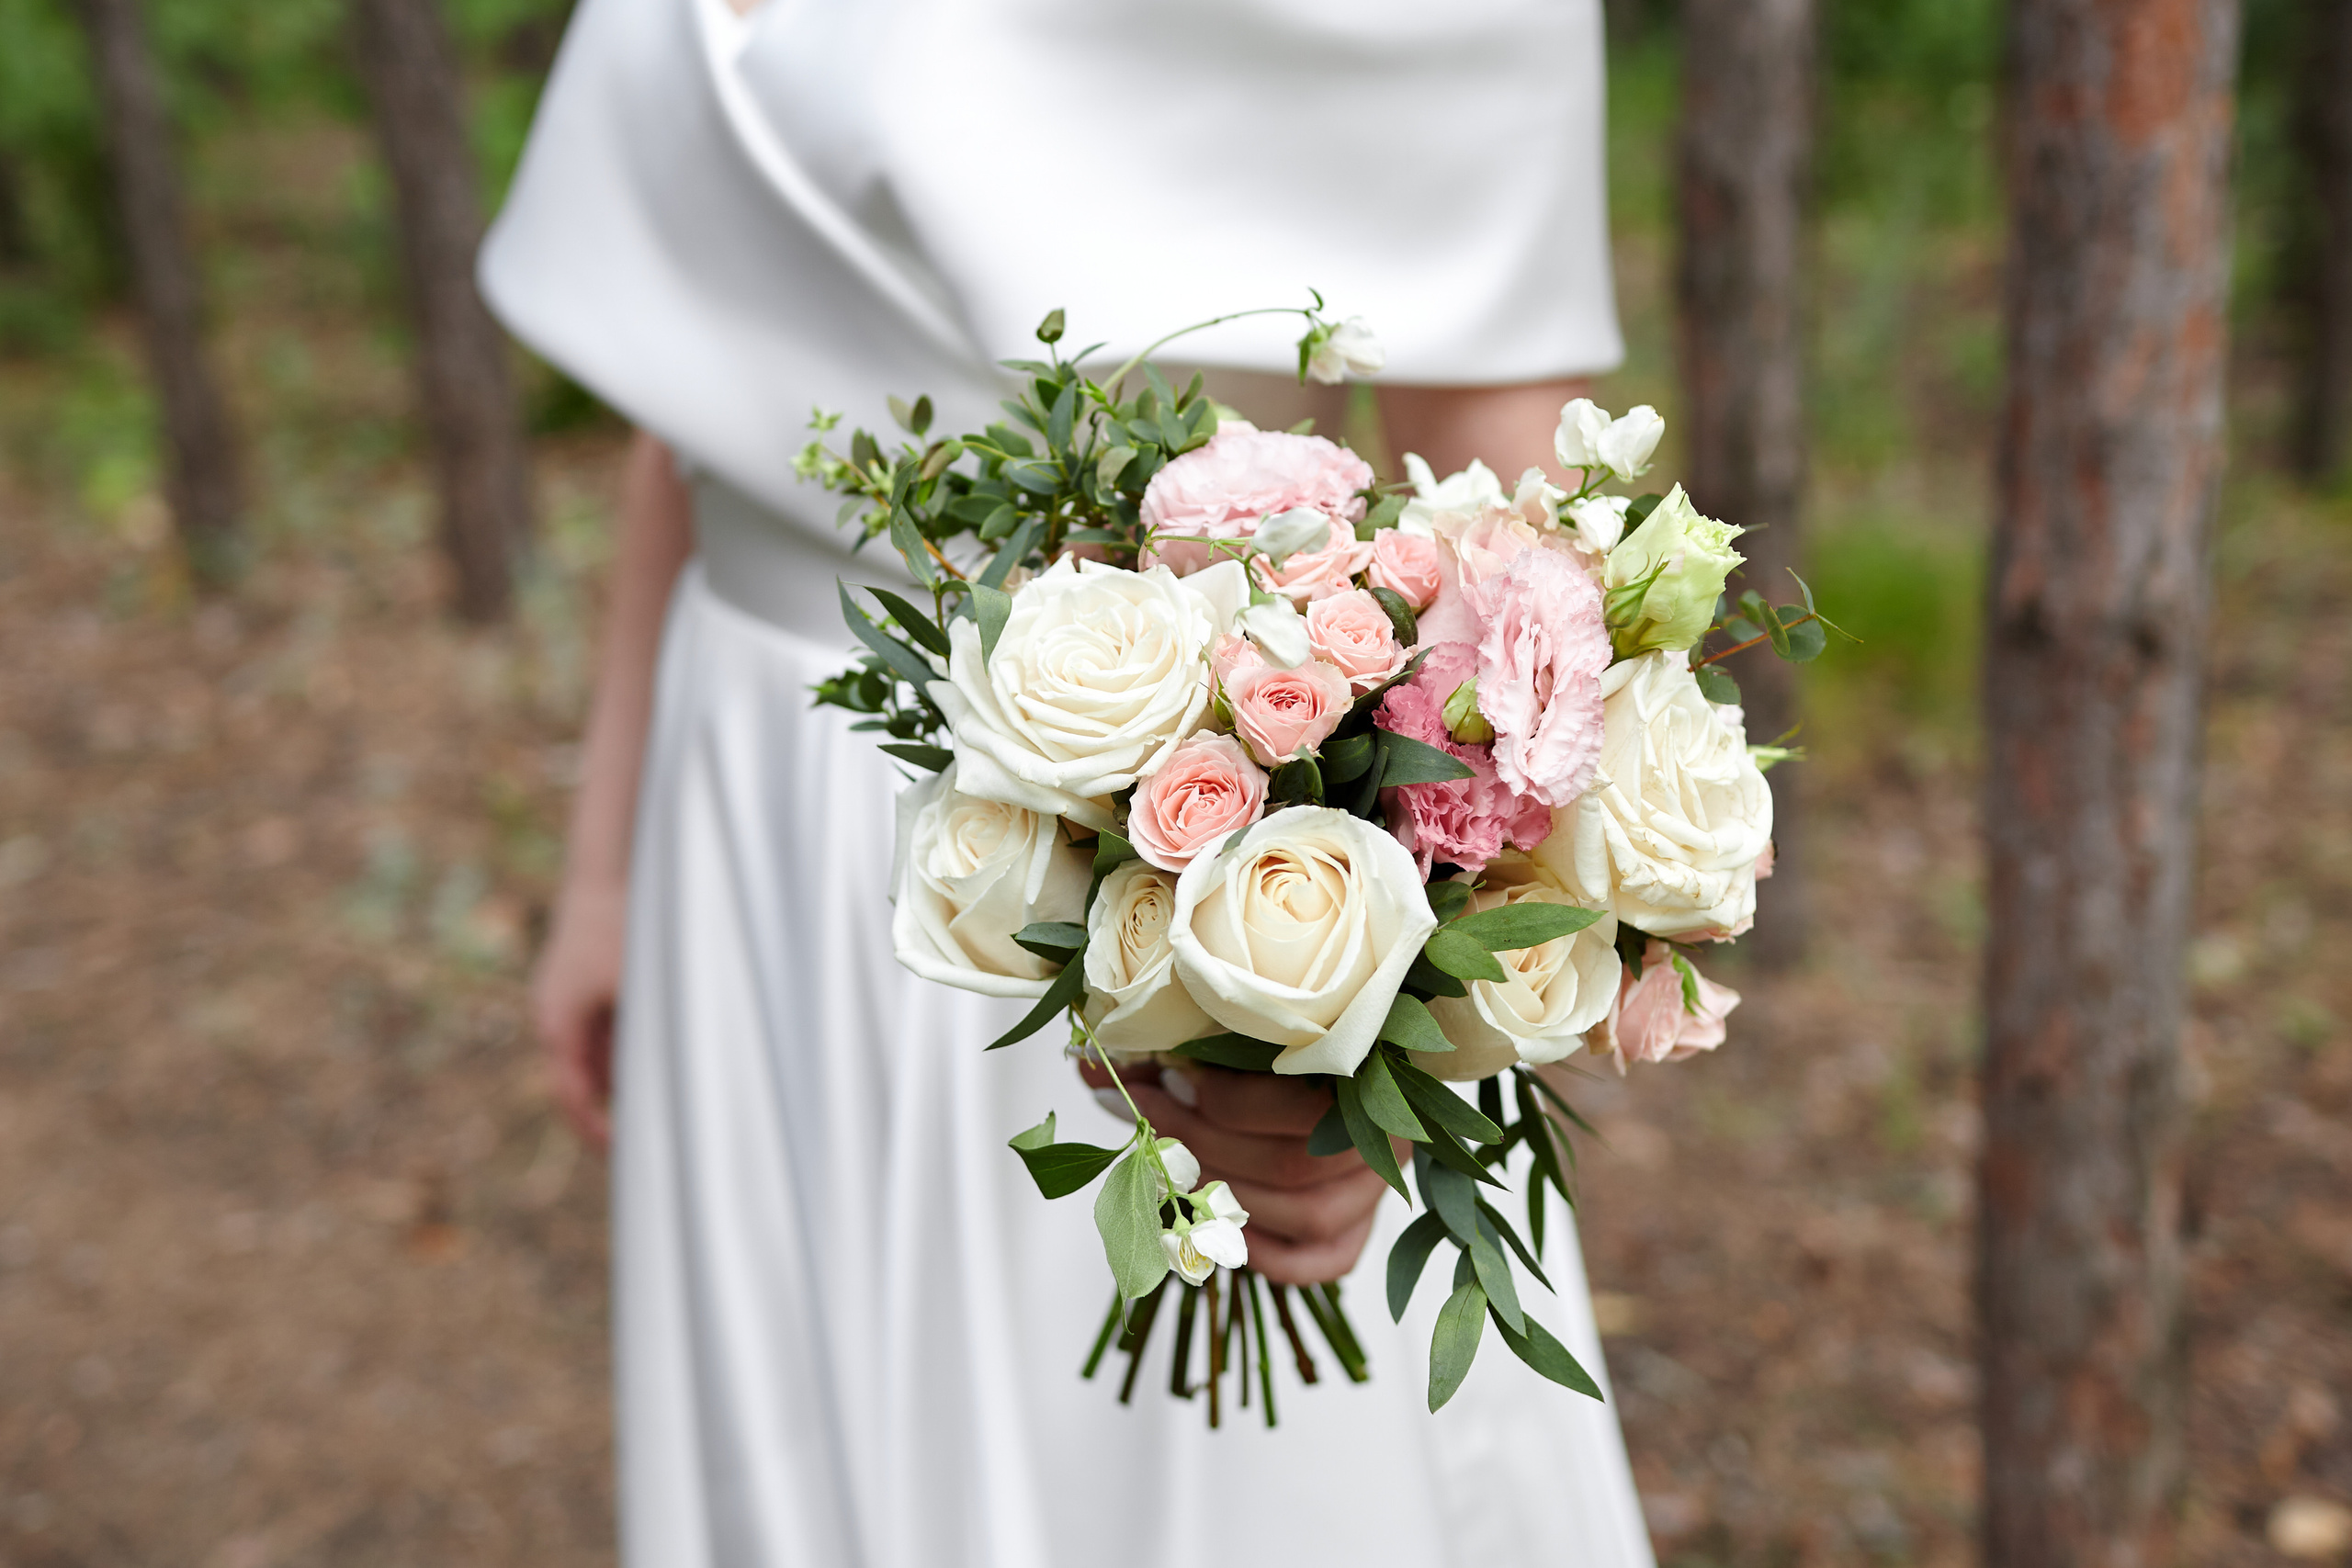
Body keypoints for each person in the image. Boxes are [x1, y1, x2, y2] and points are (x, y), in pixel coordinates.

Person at [488, 0, 1656, 1562]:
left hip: (1167, 855)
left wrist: (1376, 1029)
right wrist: (612, 865)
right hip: (746, 808)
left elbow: (1504, 518)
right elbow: (713, 390)